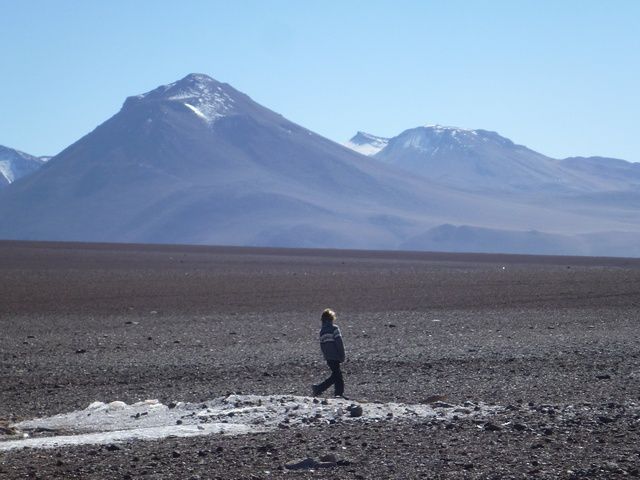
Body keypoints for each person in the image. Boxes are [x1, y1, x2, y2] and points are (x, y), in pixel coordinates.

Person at [312, 308, 347, 398]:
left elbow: (322, 346)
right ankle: (321, 389)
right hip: (335, 356)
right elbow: (339, 343)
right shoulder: (334, 328)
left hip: (328, 357)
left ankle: (335, 393)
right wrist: (342, 355)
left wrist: (326, 356)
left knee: (336, 375)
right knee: (337, 376)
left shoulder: (322, 331)